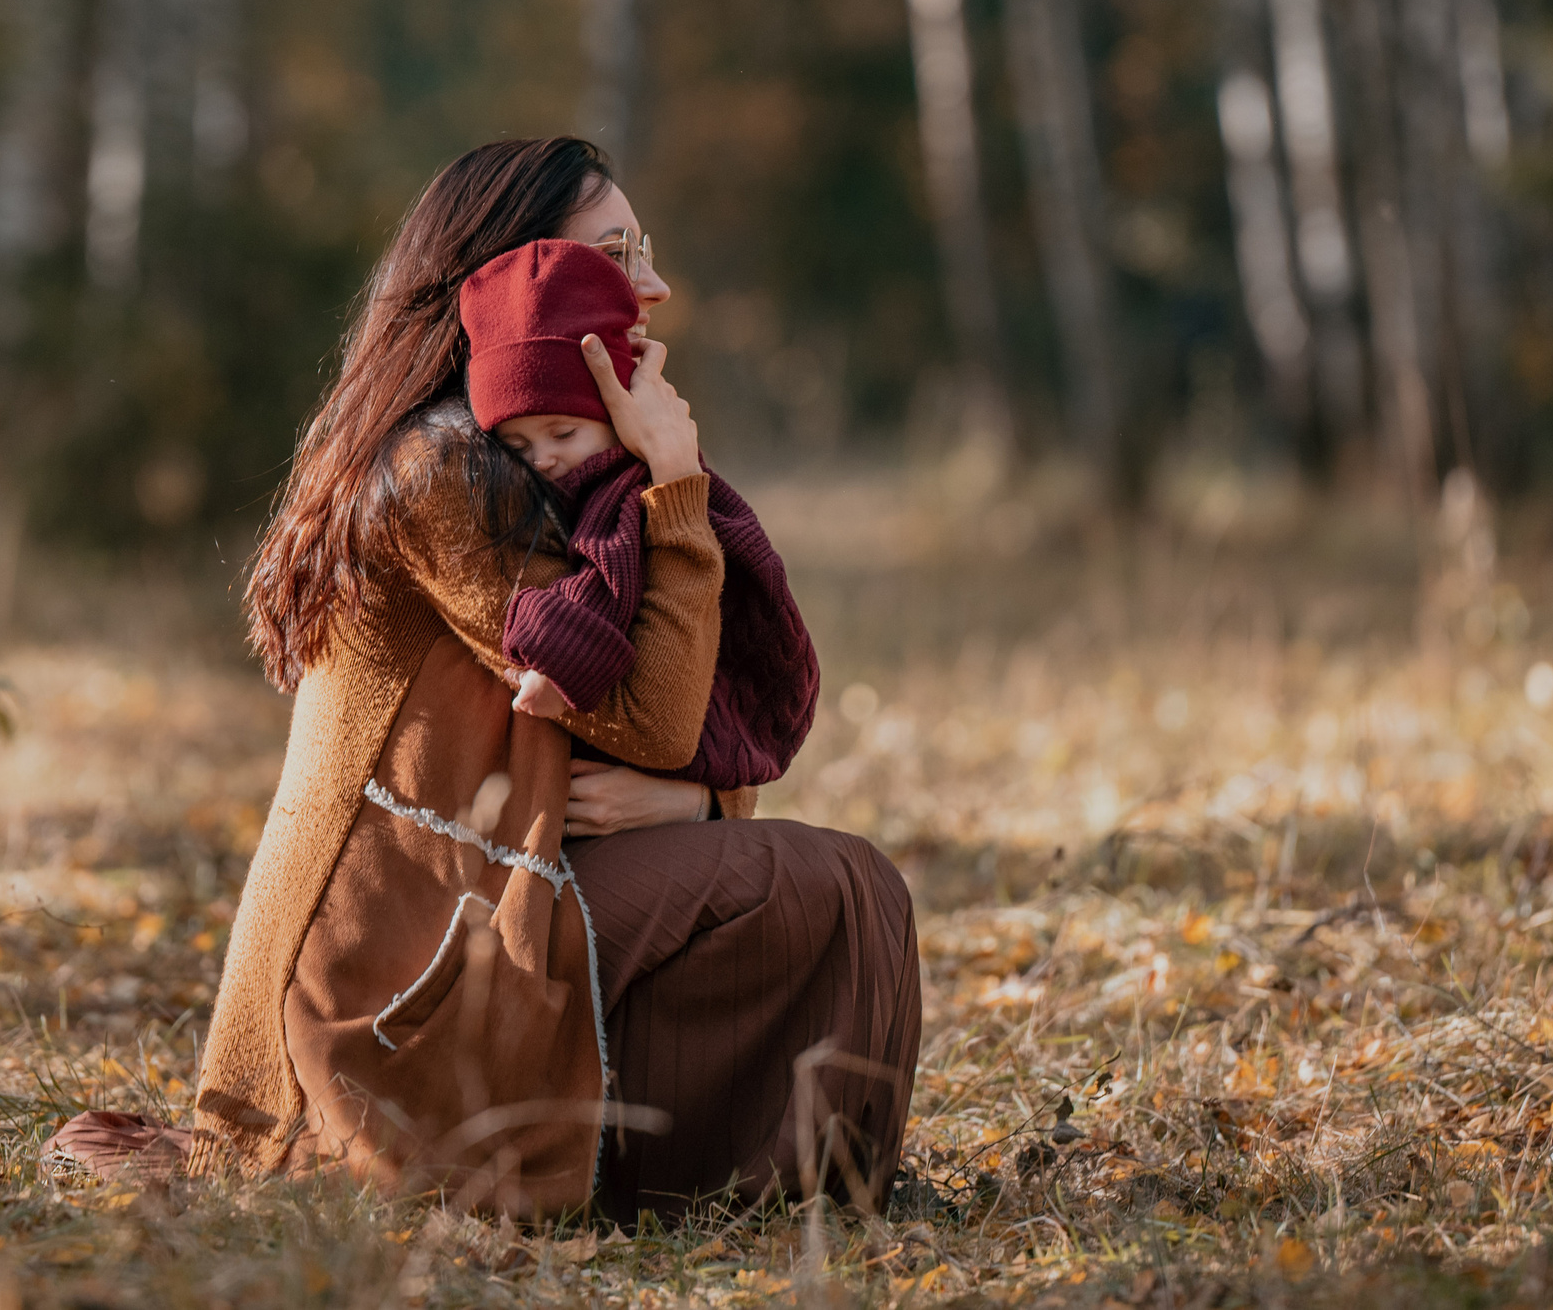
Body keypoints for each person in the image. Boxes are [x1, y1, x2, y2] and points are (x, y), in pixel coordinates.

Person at [46, 138, 920, 1222]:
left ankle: (772, 1190)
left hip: (494, 907)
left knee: (834, 885)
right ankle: (772, 1190)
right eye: (613, 254)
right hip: (383, 1003)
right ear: (514, 280)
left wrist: (702, 801)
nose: (651, 284)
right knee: (826, 885)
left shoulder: (542, 464)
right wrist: (679, 489)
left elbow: (646, 752)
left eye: (641, 250)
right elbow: (649, 718)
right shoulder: (439, 472)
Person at [460, 237, 819, 798]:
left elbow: (608, 573)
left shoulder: (621, 487)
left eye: (563, 433)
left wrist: (556, 661)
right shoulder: (460, 481)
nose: (543, 458)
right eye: (517, 443)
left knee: (853, 872)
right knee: (851, 876)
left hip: (670, 745)